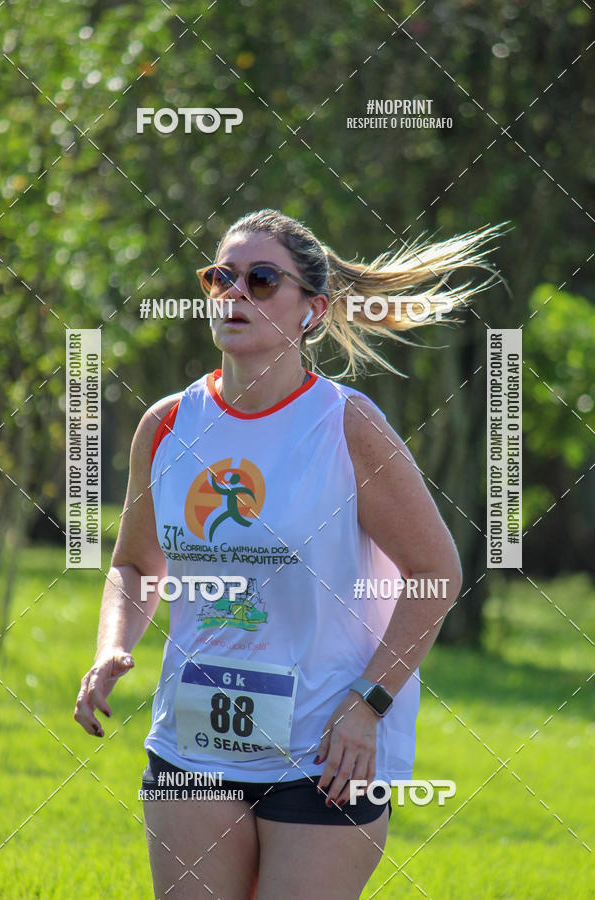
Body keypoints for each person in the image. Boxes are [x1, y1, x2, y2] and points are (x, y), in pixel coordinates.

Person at [74, 208, 502, 899]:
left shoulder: (347, 425)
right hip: (193, 745)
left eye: (262, 279)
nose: (234, 293)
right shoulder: (168, 424)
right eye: (222, 277)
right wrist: (110, 646)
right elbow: (134, 565)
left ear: (312, 309)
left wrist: (369, 704)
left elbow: (436, 574)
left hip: (325, 752)